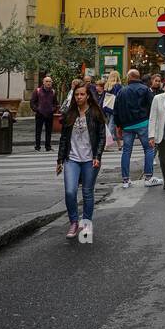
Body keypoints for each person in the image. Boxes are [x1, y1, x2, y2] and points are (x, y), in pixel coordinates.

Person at [56, 78, 106, 242]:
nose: (79, 97)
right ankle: (73, 222)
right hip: (72, 158)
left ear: (88, 96)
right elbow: (64, 138)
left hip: (90, 159)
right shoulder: (69, 114)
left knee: (87, 192)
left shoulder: (95, 113)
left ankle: (86, 224)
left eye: (82, 94)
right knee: (70, 192)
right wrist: (59, 160)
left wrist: (97, 156)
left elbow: (101, 137)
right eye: (76, 94)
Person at [114, 69, 161, 189]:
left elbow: (116, 110)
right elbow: (152, 107)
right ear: (138, 77)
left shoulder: (121, 91)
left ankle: (125, 180)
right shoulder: (145, 89)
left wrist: (118, 126)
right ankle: (148, 178)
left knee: (126, 151)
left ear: (129, 77)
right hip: (143, 123)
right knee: (149, 149)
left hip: (127, 125)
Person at [30, 74, 58, 151]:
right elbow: (32, 102)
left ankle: (48, 146)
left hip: (49, 114)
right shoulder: (37, 91)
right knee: (38, 131)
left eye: (50, 81)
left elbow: (55, 103)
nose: (48, 83)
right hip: (40, 114)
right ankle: (37, 146)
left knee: (49, 131)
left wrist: (53, 109)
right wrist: (37, 109)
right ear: (43, 82)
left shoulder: (53, 91)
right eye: (47, 81)